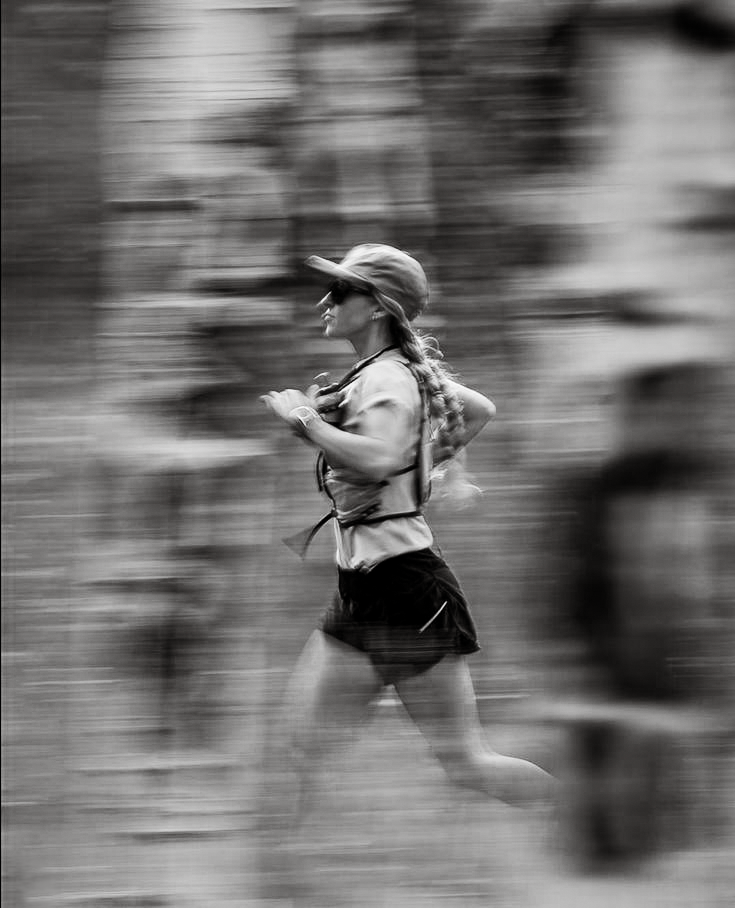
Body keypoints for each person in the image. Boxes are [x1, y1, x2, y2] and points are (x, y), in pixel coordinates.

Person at [260, 244, 554, 855]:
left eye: (340, 291)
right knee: (299, 750)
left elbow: (381, 457)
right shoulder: (391, 372)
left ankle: (591, 832)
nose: (326, 301)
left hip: (406, 590)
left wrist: (306, 424)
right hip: (365, 590)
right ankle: (279, 885)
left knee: (467, 764)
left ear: (375, 306)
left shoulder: (388, 378)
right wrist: (429, 462)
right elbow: (475, 409)